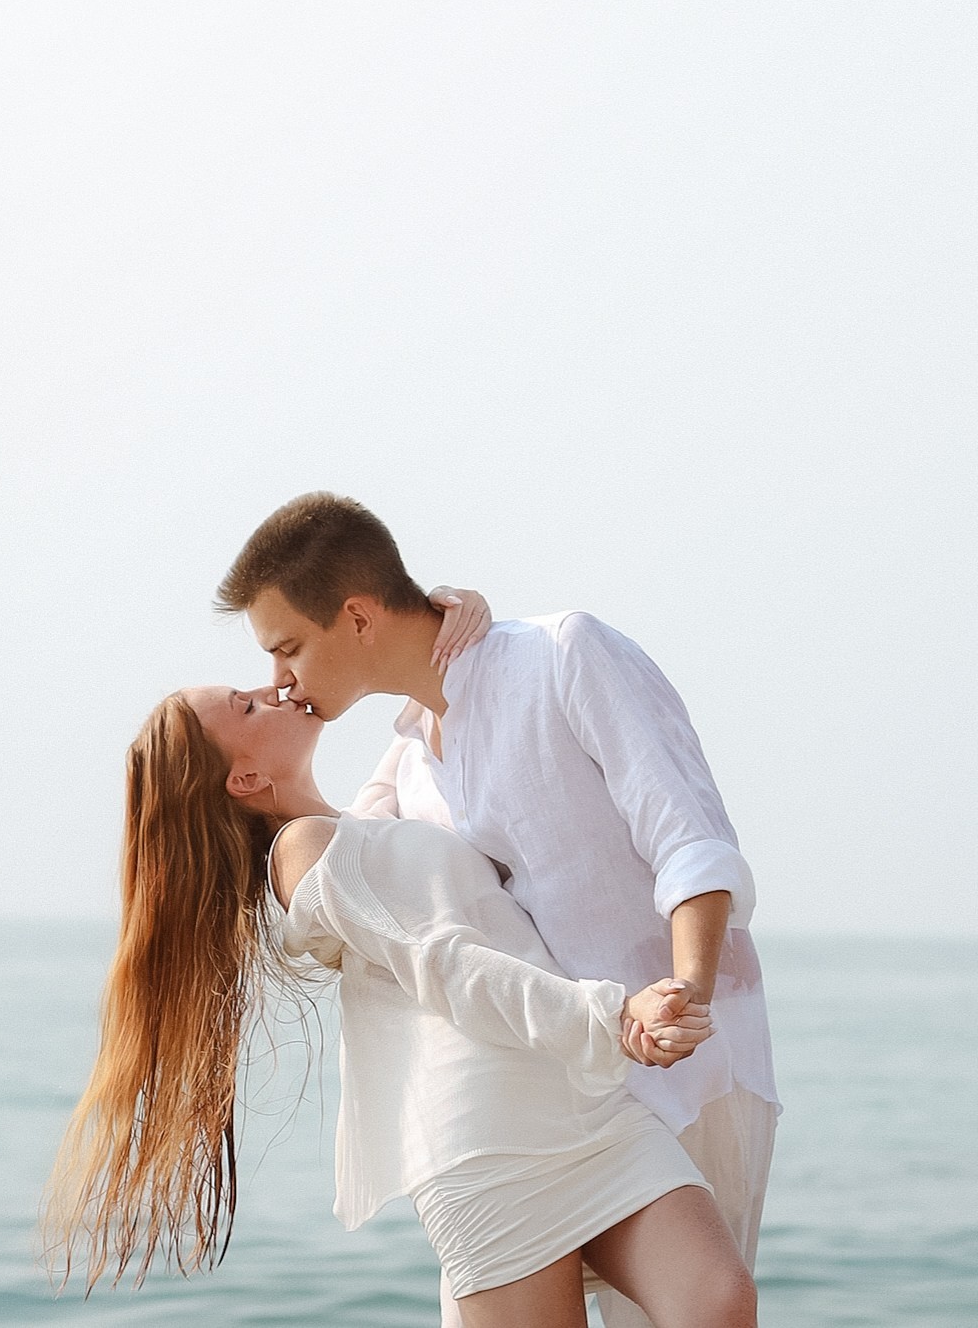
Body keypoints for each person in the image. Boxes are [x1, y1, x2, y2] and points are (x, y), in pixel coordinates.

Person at [217, 493, 778, 1328]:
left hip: (687, 1058)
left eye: (288, 647)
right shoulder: (406, 768)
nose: (278, 678)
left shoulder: (562, 656)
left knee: (710, 1307)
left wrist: (686, 992)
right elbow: (377, 910)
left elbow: (689, 837)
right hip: (550, 1087)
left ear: (358, 616)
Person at [46, 682, 758, 1328]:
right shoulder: (305, 851)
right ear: (247, 778)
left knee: (718, 1301)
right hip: (487, 1142)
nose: (275, 685)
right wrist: (613, 1017)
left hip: (587, 1108)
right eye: (249, 704)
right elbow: (445, 961)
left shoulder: (361, 821)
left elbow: (419, 708)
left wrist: (451, 618)